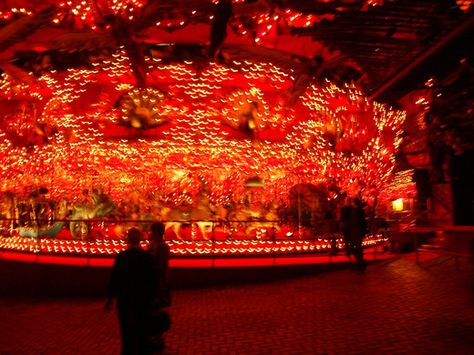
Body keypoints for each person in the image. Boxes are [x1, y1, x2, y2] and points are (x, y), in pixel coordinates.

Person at [105, 228, 156, 355]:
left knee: (126, 332)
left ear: (127, 239)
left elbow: (115, 278)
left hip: (125, 299)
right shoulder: (147, 257)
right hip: (143, 299)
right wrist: (153, 297)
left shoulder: (122, 257)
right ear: (140, 240)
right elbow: (152, 279)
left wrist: (110, 298)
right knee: (143, 331)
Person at [147, 222, 171, 352]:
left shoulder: (162, 247)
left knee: (156, 309)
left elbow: (161, 266)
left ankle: (157, 337)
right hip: (153, 281)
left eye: (152, 231)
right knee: (152, 309)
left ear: (158, 233)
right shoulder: (152, 245)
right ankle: (153, 336)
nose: (150, 233)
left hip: (158, 282)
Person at [349, 197, 368, 271]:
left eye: (353, 202)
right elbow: (364, 221)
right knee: (358, 247)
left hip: (356, 231)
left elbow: (355, 222)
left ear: (354, 203)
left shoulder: (355, 211)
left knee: (355, 247)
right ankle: (360, 262)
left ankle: (359, 263)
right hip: (359, 231)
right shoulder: (361, 211)